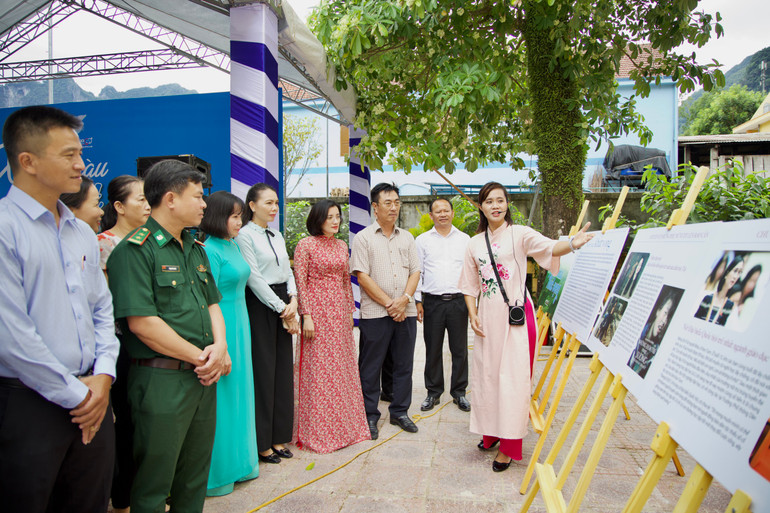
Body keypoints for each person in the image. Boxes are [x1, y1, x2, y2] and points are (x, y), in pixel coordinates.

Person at [0, 105, 119, 512]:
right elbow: (12, 336)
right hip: (28, 404)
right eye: (68, 155)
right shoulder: (5, 228)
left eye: (79, 154)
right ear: (27, 161)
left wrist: (103, 376)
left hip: (92, 396)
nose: (81, 164)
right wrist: (78, 397)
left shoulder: (79, 232)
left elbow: (102, 310)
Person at [107, 159, 230, 513]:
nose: (205, 204)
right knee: (153, 483)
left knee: (194, 479)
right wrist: (202, 357)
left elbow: (212, 305)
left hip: (202, 378)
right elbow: (142, 324)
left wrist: (219, 349)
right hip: (161, 380)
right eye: (197, 196)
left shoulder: (194, 248)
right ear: (171, 199)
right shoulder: (134, 250)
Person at [457, 181, 593, 472]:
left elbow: (549, 247)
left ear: (507, 204)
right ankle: (491, 433)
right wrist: (472, 314)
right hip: (487, 320)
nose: (496, 205)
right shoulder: (473, 243)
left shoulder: (520, 234)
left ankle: (509, 446)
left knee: (513, 381)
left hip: (515, 319)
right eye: (489, 201)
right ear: (480, 206)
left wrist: (571, 243)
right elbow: (469, 285)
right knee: (489, 375)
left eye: (501, 200)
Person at [293, 199, 371, 453]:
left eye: (338, 216)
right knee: (319, 370)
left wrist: (351, 310)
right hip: (316, 312)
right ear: (318, 219)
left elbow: (345, 281)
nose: (336, 221)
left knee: (341, 367)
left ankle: (345, 427)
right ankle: (317, 430)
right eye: (330, 217)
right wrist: (306, 315)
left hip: (339, 311)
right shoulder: (305, 245)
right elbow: (300, 283)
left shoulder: (341, 245)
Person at [199, 191, 260, 495]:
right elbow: (208, 301)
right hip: (221, 326)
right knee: (223, 399)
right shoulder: (209, 250)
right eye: (233, 216)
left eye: (240, 215)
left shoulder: (233, 244)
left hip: (241, 321)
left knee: (240, 393)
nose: (239, 221)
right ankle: (220, 473)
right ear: (215, 216)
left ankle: (243, 463)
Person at [350, 183, 421, 440]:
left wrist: (404, 300)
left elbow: (415, 271)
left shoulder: (408, 237)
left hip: (407, 311)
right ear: (375, 207)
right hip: (375, 313)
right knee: (371, 366)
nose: (394, 207)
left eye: (397, 202)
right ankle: (369, 414)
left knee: (403, 364)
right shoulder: (363, 238)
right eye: (388, 203)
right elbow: (362, 276)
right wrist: (391, 305)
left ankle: (400, 411)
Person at [236, 183, 299, 465]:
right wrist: (281, 307)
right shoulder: (244, 235)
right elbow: (253, 277)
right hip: (261, 304)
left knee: (283, 370)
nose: (274, 208)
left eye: (276, 203)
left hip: (284, 301)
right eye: (268, 203)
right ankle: (262, 443)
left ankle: (278, 436)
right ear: (252, 205)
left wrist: (294, 299)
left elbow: (288, 270)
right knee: (263, 372)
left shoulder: (277, 233)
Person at [98, 174, 150, 513]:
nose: (148, 205)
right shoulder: (102, 243)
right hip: (119, 343)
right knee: (127, 421)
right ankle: (124, 498)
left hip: (153, 342)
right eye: (140, 199)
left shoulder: (151, 240)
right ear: (119, 206)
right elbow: (103, 302)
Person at [415, 197, 471, 413]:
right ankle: (433, 392)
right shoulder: (422, 240)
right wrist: (418, 300)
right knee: (433, 348)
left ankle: (459, 393)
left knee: (459, 350)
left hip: (458, 302)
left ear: (452, 213)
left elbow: (470, 272)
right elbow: (417, 271)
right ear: (431, 216)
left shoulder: (465, 240)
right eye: (437, 211)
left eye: (446, 210)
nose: (442, 214)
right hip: (433, 302)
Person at [694, 255, 745, 326]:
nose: (736, 276)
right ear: (727, 272)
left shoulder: (729, 306)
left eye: (739, 272)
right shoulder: (708, 298)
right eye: (735, 271)